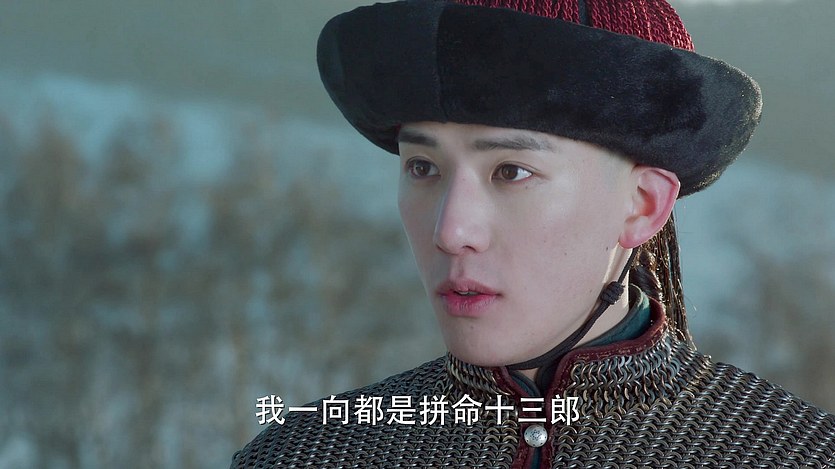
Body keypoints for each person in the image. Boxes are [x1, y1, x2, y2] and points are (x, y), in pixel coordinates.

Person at [232, 0, 835, 466]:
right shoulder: (301, 454)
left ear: (643, 204)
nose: (451, 231)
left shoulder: (795, 454)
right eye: (423, 167)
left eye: (511, 171)